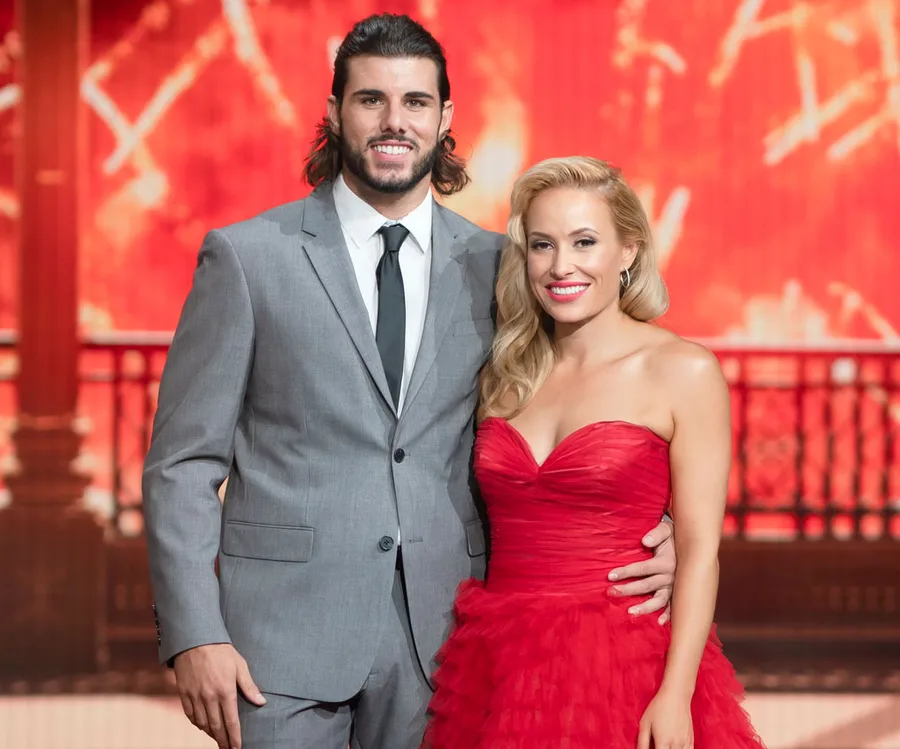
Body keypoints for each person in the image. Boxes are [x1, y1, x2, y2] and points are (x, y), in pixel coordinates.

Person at [142, 15, 676, 749]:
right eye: (371, 100)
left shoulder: (501, 266)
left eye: (416, 102)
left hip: (446, 641)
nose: (395, 121)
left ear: (445, 117)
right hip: (279, 646)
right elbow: (181, 464)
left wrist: (653, 533)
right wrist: (193, 631)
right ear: (334, 112)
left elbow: (587, 397)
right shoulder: (247, 258)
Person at [422, 156, 765, 749]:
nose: (562, 267)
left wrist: (676, 693)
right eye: (542, 245)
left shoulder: (681, 370)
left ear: (628, 251)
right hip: (497, 664)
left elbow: (700, 549)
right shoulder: (504, 373)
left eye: (585, 242)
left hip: (625, 664)